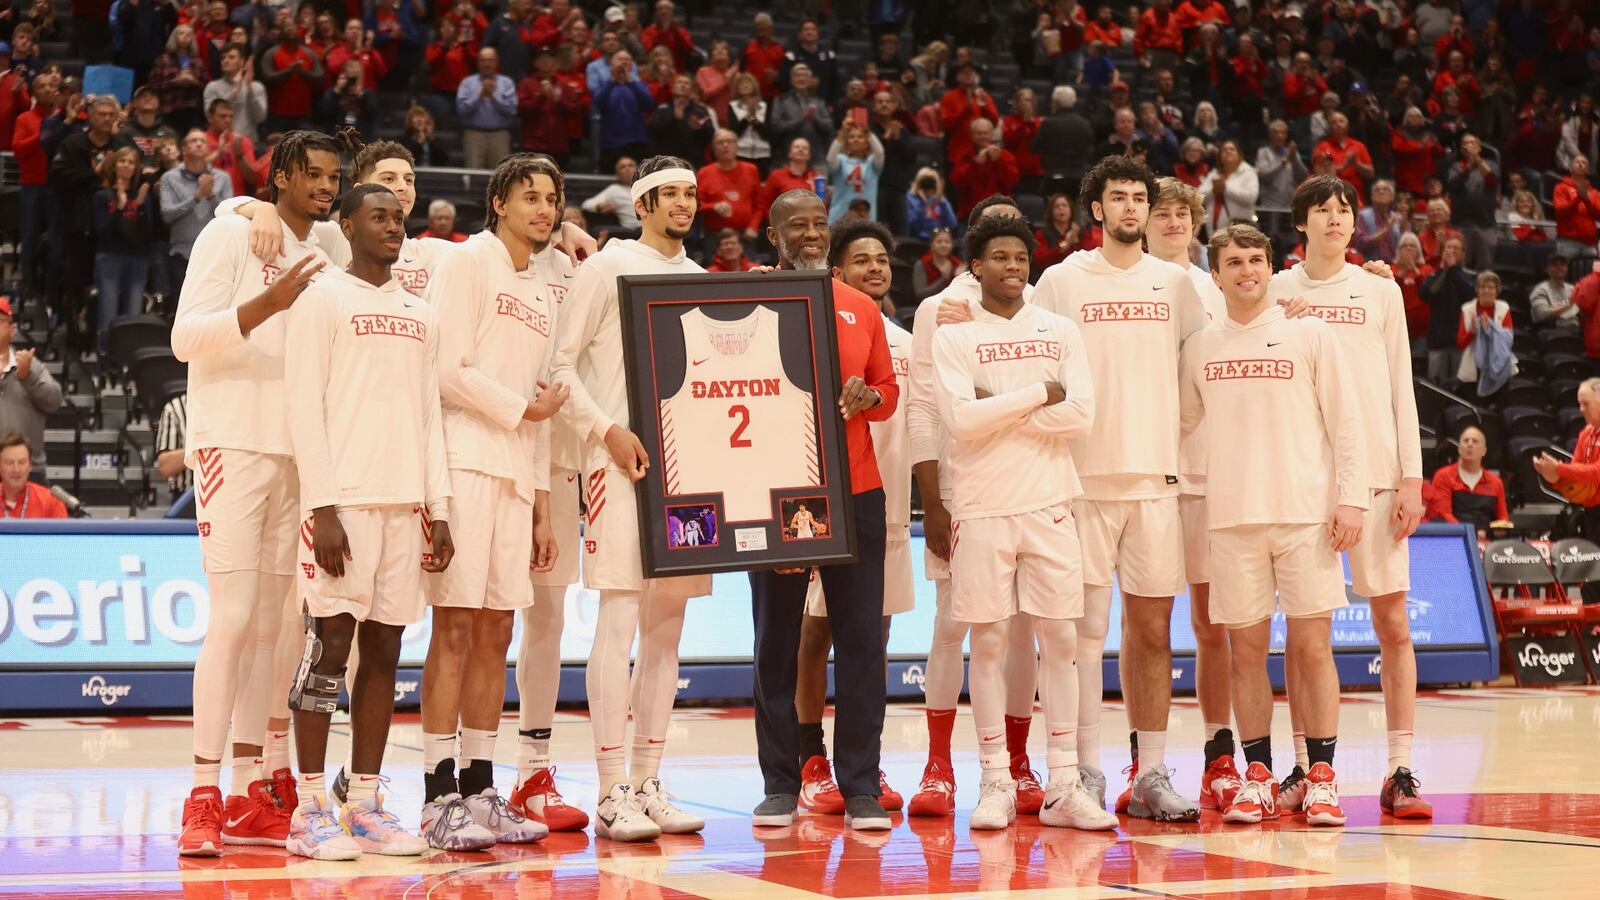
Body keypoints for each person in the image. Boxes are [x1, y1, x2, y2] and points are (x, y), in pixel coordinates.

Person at [1021, 155, 1206, 822]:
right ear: (1094, 209)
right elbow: (1026, 356)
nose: (1131, 207)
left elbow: (1202, 368)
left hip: (1155, 481)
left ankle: (1149, 772)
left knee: (1152, 632)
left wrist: (1168, 432)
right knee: (1078, 636)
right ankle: (1084, 773)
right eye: (1118, 197)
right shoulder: (1062, 281)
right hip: (1080, 484)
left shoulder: (1176, 283)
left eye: (1139, 197)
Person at [170, 131, 340, 856]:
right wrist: (265, 300)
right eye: (313, 175)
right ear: (282, 178)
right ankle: (202, 795)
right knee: (234, 618)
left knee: (278, 627)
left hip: (297, 450)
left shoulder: (329, 243)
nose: (327, 187)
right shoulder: (228, 232)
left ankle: (253, 792)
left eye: (334, 176)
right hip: (231, 441)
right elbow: (183, 337)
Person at [932, 212, 1119, 834]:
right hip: (981, 505)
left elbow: (1084, 416)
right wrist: (1042, 394)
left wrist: (1000, 410)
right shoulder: (953, 333)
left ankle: (1064, 781)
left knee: (1061, 638)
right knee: (986, 641)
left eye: (1021, 256)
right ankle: (995, 781)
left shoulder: (1059, 328)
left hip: (1050, 501)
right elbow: (958, 422)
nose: (1013, 266)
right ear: (976, 266)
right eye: (1000, 257)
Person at [280, 184, 451, 860]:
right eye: (377, 217)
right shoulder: (322, 299)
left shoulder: (420, 312)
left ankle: (364, 802)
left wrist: (438, 509)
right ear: (345, 223)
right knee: (328, 650)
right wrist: (321, 507)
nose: (391, 227)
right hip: (342, 503)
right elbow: (303, 407)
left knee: (384, 653)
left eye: (398, 218)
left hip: (404, 501)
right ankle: (309, 807)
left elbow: (430, 416)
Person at [1180, 222, 1368, 828]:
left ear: (1270, 265)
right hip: (1232, 519)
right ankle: (1257, 775)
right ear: (1216, 274)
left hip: (1305, 517)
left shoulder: (1308, 332)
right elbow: (1178, 427)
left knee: (1313, 648)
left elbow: (1347, 424)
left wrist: (1352, 500)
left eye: (1256, 260)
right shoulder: (1200, 346)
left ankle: (1320, 777)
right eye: (1234, 262)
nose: (1247, 271)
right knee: (1246, 653)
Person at [549, 156, 715, 841]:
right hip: (617, 461)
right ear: (641, 203)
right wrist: (606, 431)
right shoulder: (604, 269)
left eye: (691, 194)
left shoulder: (702, 282)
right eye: (670, 194)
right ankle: (612, 787)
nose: (684, 204)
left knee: (667, 628)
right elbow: (557, 361)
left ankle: (649, 779)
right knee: (617, 621)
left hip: (689, 473)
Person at [1268, 175, 1430, 820]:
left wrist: (1413, 478)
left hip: (1380, 478)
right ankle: (1309, 769)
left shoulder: (1379, 289)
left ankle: (1399, 768)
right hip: (1307, 481)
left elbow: (1401, 385)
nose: (1336, 219)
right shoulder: (1276, 292)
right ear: (1300, 223)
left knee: (1392, 624)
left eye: (1344, 211)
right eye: (1322, 210)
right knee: (1310, 634)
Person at [416, 154, 566, 850]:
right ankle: (435, 793)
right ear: (499, 201)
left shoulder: (541, 288)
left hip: (511, 472)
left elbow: (540, 410)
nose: (543, 208)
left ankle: (479, 788)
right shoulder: (466, 263)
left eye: (552, 199)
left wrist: (540, 508)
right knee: (452, 628)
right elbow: (445, 370)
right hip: (463, 461)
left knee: (496, 634)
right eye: (529, 196)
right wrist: (521, 410)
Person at [743, 189, 898, 833]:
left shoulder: (862, 307)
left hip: (857, 491)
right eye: (795, 225)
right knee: (775, 643)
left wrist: (868, 396)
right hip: (774, 495)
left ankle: (860, 784)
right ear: (773, 235)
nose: (810, 234)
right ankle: (781, 781)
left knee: (863, 643)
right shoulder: (746, 301)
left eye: (817, 224)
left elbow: (888, 392)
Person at [906, 196, 1043, 821]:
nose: (1007, 245)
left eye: (1015, 233)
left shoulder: (1042, 307)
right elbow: (926, 411)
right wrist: (932, 500)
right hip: (964, 492)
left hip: (1030, 488)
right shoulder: (940, 309)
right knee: (952, 628)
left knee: (1020, 634)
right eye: (994, 231)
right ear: (974, 246)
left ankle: (1017, 764)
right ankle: (939, 766)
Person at [793, 221, 911, 817]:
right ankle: (809, 758)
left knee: (871, 637)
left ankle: (862, 766)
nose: (875, 267)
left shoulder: (896, 332)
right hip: (803, 493)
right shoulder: (806, 311)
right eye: (861, 258)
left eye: (883, 257)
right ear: (835, 269)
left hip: (874, 498)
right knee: (812, 632)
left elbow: (897, 405)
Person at [1142, 177, 1238, 810]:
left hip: (1206, 471)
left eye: (1184, 212)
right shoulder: (1118, 281)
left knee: (1210, 621)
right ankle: (1142, 762)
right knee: (1145, 624)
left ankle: (1218, 753)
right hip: (1141, 469)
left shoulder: (1220, 284)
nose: (1174, 221)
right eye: (1163, 212)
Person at [1536, 380, 1600, 590]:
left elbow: (1597, 472)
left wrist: (1559, 470)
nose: (1581, 409)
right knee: (1593, 576)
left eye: (1586, 403)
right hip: (1592, 512)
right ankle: (1590, 623)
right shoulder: (1586, 434)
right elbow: (1576, 477)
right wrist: (1553, 477)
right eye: (1579, 404)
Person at [92, 146, 156, 347]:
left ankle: (129, 364)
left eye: (131, 162)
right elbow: (102, 230)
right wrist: (120, 208)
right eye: (122, 161)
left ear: (136, 168)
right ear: (114, 165)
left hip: (138, 258)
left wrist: (140, 206)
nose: (126, 165)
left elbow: (147, 232)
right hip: (110, 256)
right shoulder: (102, 195)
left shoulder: (142, 196)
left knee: (134, 314)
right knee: (108, 313)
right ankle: (104, 362)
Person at [1427, 425, 1507, 527]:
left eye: (1475, 441)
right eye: (1466, 441)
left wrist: (1497, 530)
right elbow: (1443, 514)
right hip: (1453, 538)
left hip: (1486, 539)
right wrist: (1468, 535)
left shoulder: (1496, 482)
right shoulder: (1443, 476)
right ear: (1459, 449)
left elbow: (1502, 519)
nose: (1470, 444)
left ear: (1484, 451)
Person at [1422, 236, 1475, 386]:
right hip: (1437, 340)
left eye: (1455, 248)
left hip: (1461, 340)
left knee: (1459, 386)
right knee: (1435, 386)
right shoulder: (1435, 275)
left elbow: (1469, 296)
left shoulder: (1470, 275)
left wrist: (1452, 269)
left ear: (1463, 254)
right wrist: (1442, 270)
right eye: (1447, 248)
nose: (1450, 251)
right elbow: (1425, 294)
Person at [1456, 270, 1515, 397]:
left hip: (1499, 366)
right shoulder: (1467, 309)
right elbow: (1460, 344)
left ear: (1497, 291)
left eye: (1491, 287)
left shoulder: (1503, 308)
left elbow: (1508, 340)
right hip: (1473, 369)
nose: (1486, 290)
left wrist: (1490, 330)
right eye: (1482, 287)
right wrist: (1471, 332)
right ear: (1477, 290)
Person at [456, 47, 517, 169]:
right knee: (474, 174)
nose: (487, 64)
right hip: (474, 134)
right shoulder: (467, 83)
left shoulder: (506, 83)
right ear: (478, 62)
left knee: (500, 177)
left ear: (496, 62)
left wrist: (494, 97)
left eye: (490, 60)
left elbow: (512, 110)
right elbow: (461, 109)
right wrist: (479, 96)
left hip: (500, 135)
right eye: (483, 60)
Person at [1447, 134, 1500, 269]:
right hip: (1460, 223)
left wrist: (1477, 160)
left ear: (1479, 147)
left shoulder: (1491, 164)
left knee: (1485, 265)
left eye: (1472, 143)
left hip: (1485, 224)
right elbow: (1453, 185)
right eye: (1465, 143)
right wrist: (1469, 168)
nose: (1469, 146)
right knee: (1458, 265)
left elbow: (1493, 181)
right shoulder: (1456, 166)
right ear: (1461, 149)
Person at [203, 43, 266, 143]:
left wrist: (250, 90)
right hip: (220, 144)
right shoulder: (212, 87)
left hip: (248, 143)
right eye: (223, 58)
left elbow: (260, 117)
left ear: (242, 62)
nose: (226, 61)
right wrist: (234, 91)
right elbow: (210, 115)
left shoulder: (256, 87)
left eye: (231, 57)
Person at [826, 122, 885, 223]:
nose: (856, 139)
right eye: (851, 137)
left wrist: (869, 133)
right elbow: (830, 160)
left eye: (860, 136)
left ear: (867, 143)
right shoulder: (841, 160)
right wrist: (841, 136)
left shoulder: (872, 164)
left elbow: (879, 153)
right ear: (847, 143)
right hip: (839, 216)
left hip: (866, 218)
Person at [0, 432, 66, 517]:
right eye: (9, 463)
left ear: (30, 465)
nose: (16, 469)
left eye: (22, 462)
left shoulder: (50, 502)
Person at [1204, 140, 1257, 232]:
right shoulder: (1214, 173)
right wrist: (1212, 190)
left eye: (1232, 149)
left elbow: (1250, 198)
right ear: (1220, 155)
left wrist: (1226, 188)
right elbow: (1198, 197)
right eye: (1224, 150)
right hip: (1213, 229)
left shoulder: (1248, 172)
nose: (1228, 152)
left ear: (1239, 154)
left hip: (1240, 229)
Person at [1255, 120, 1306, 211]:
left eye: (1283, 133)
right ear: (1270, 134)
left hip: (1289, 204)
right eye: (1276, 132)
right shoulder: (1263, 152)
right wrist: (1283, 163)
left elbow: (1302, 176)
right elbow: (1264, 176)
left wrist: (1294, 158)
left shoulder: (1292, 153)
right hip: (1269, 204)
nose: (1279, 135)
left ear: (1286, 136)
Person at [581, 155, 641, 231]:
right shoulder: (614, 189)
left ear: (637, 169)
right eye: (623, 167)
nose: (627, 168)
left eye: (630, 165)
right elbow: (586, 204)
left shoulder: (646, 185)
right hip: (634, 231)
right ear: (617, 174)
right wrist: (599, 206)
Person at [1354, 179, 1403, 263]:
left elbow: (1403, 245)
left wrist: (1404, 228)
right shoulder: (1363, 216)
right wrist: (1385, 230)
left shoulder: (1398, 218)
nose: (1381, 192)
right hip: (1369, 267)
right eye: (1377, 189)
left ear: (1392, 196)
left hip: (1393, 268)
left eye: (1385, 189)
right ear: (1372, 196)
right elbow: (1361, 243)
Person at [905, 167, 957, 243]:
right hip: (917, 240)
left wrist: (942, 201)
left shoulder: (941, 201)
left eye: (932, 181)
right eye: (925, 180)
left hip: (938, 241)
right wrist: (923, 203)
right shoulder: (910, 199)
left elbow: (952, 224)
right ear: (918, 182)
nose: (928, 184)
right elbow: (912, 224)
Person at [1531, 254, 1579, 330]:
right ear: (1548, 269)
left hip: (1575, 329)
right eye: (1555, 265)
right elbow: (1542, 314)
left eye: (1563, 265)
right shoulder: (1540, 290)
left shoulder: (1572, 289)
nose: (1559, 267)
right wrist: (1568, 304)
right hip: (1552, 331)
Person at [912, 229, 957, 301]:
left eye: (947, 242)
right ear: (931, 245)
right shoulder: (922, 264)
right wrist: (943, 279)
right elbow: (920, 294)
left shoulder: (957, 264)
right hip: (928, 305)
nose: (943, 245)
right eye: (939, 242)